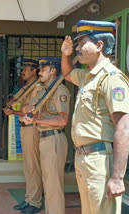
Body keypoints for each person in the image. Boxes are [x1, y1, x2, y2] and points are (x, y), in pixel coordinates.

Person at [61, 20, 129, 214]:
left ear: (99, 46)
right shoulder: (87, 75)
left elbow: (124, 128)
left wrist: (117, 178)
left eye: (82, 43)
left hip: (99, 159)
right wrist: (64, 55)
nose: (78, 48)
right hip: (84, 158)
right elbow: (66, 73)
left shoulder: (112, 78)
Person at [22, 57, 70, 214]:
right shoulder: (44, 90)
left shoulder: (60, 91)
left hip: (54, 138)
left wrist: (37, 118)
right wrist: (29, 108)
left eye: (43, 69)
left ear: (53, 71)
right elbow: (28, 107)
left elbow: (63, 120)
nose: (40, 72)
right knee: (48, 183)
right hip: (44, 138)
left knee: (53, 186)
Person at [4, 59, 43, 214]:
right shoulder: (25, 87)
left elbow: (32, 112)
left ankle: (35, 202)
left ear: (34, 70)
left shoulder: (38, 87)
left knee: (33, 167)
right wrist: (11, 108)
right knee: (28, 167)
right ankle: (29, 199)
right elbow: (12, 101)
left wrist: (13, 112)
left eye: (26, 69)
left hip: (32, 128)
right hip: (25, 128)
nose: (22, 72)